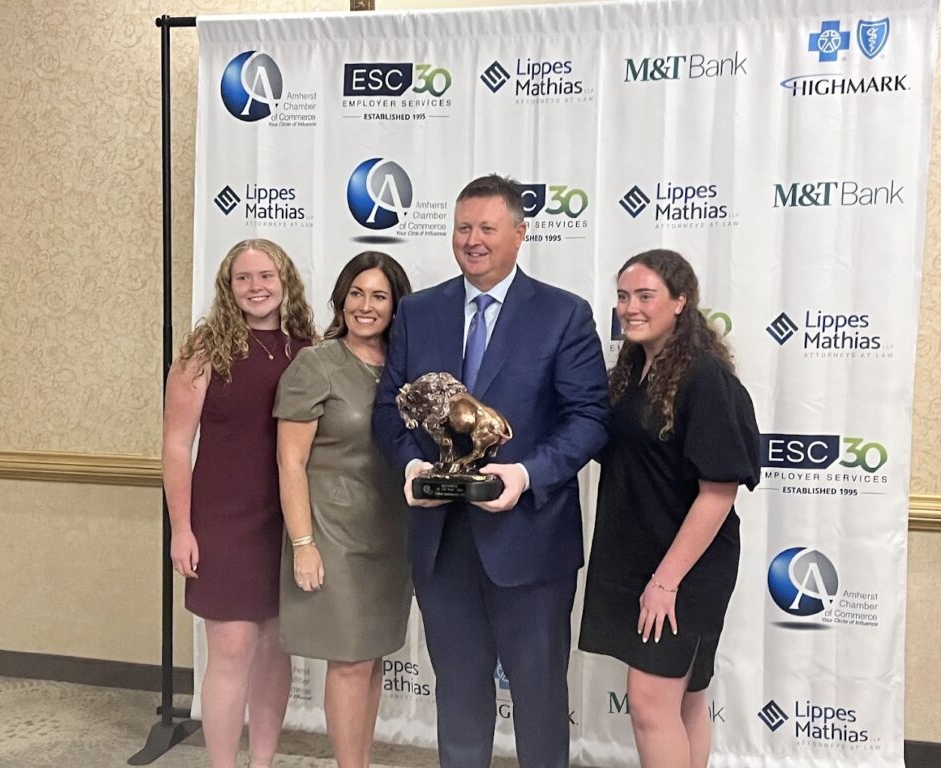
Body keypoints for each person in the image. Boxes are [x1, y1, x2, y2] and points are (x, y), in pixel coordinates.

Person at [372, 174, 610, 768]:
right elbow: (389, 410)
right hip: (441, 543)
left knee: (538, 698)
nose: (472, 240)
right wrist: (412, 467)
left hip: (531, 542)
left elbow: (588, 420)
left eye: (486, 228)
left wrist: (527, 475)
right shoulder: (417, 312)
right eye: (462, 228)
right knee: (458, 696)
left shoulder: (564, 314)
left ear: (520, 233)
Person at [579, 249, 760, 768]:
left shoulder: (705, 378)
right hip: (639, 559)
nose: (630, 308)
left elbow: (719, 492)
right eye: (622, 297)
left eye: (645, 296)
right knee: (684, 701)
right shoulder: (634, 369)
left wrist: (666, 581)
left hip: (686, 570)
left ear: (681, 301)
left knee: (650, 703)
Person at [162, 238, 316, 768]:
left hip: (289, 519)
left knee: (277, 652)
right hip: (223, 521)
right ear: (229, 288)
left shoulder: (307, 348)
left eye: (266, 276)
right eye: (244, 279)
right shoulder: (204, 350)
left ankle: (263, 762)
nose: (256, 288)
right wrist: (181, 528)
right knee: (230, 651)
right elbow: (176, 445)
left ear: (285, 281)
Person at [274, 252, 413, 768]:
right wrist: (303, 545)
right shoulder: (316, 363)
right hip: (333, 536)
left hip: (390, 536)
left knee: (372, 660)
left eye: (378, 295)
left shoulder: (405, 369)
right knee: (351, 662)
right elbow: (290, 464)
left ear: (396, 304)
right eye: (356, 293)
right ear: (341, 298)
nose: (365, 305)